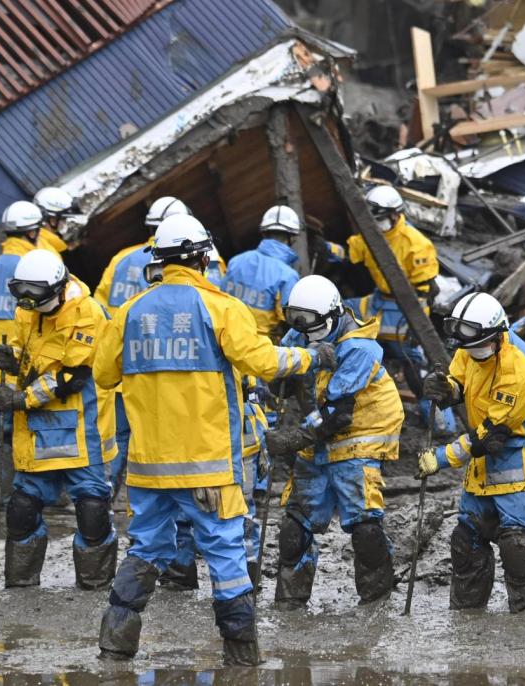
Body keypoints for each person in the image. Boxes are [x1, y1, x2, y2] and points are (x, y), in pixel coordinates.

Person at [93, 214, 334, 666]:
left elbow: (104, 375)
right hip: (207, 466)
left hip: (148, 469)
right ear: (204, 258)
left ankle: (114, 648)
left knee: (145, 548)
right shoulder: (220, 308)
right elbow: (263, 361)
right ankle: (242, 659)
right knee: (225, 552)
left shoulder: (130, 312)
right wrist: (312, 356)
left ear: (159, 261)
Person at [266, 275, 404, 608]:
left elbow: (337, 413)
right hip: (320, 436)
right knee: (294, 529)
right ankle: (290, 604)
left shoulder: (360, 348)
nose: (307, 336)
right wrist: (281, 381)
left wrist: (293, 439)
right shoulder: (301, 332)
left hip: (360, 434)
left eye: (313, 330)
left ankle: (376, 602)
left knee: (364, 527)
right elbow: (279, 368)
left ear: (332, 315)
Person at [419, 293, 525, 613]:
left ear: (499, 336)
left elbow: (485, 435)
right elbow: (460, 378)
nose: (473, 354)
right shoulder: (471, 346)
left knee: (518, 546)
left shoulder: (520, 371)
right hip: (485, 467)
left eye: (480, 348)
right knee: (466, 540)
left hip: (522, 461)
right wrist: (448, 389)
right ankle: (468, 618)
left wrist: (440, 459)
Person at [0, 249, 118, 591]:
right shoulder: (27, 312)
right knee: (21, 508)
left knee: (92, 511)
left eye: (35, 294)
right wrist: (12, 359)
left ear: (57, 287)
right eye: (21, 293)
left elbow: (69, 376)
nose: (27, 301)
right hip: (36, 431)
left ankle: (95, 584)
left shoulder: (87, 314)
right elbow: (33, 356)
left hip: (80, 428)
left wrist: (20, 398)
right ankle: (21, 583)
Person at [320, 186, 445, 429]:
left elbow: (426, 292)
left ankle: (438, 419)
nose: (376, 224)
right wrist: (325, 248)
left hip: (405, 308)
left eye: (380, 219)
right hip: (379, 300)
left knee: (409, 358)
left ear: (396, 215)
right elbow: (349, 253)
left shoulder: (416, 243)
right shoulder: (369, 235)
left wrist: (413, 328)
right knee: (341, 311)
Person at [94, 196, 191, 491]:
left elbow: (100, 308)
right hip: (168, 367)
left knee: (119, 435)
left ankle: (105, 493)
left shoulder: (121, 258)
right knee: (164, 434)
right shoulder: (196, 261)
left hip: (123, 362)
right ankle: (159, 493)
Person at [0, 201, 47, 486]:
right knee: (22, 426)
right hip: (22, 361)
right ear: (31, 232)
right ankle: (19, 483)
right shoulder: (36, 266)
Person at [221, 205, 304, 339]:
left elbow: (220, 301)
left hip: (227, 343)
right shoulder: (287, 276)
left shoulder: (236, 261)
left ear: (264, 233)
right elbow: (290, 324)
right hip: (262, 351)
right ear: (292, 237)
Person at [34, 186, 85, 251]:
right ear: (52, 220)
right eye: (64, 219)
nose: (65, 223)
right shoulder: (49, 247)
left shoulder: (35, 239)